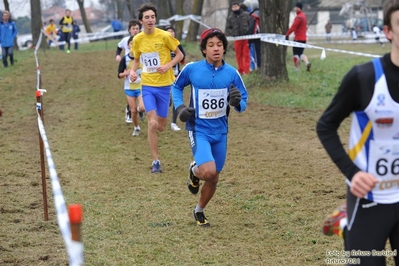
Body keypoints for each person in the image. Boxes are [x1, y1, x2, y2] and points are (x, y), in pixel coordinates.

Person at [316, 1, 399, 264]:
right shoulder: (364, 78)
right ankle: (348, 221)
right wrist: (354, 174)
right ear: (388, 32)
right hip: (369, 199)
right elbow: (325, 126)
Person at [172, 28, 248, 227]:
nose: (216, 49)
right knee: (207, 171)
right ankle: (194, 170)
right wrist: (180, 107)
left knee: (213, 178)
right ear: (204, 49)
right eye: (211, 45)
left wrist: (237, 102)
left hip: (220, 132)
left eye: (220, 45)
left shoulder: (232, 73)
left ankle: (199, 210)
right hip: (199, 129)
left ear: (224, 49)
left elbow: (243, 101)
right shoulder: (192, 69)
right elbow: (176, 86)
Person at [129, 3, 184, 173]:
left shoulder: (164, 36)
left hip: (164, 86)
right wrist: (132, 71)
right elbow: (137, 59)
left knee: (160, 126)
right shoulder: (137, 39)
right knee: (152, 123)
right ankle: (155, 162)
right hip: (147, 85)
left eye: (153, 17)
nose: (150, 20)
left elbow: (181, 55)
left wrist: (168, 66)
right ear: (141, 20)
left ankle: (151, 115)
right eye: (147, 17)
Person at [115, 19, 142, 124]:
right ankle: (129, 110)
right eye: (133, 29)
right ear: (129, 30)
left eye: (137, 28)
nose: (135, 30)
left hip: (140, 64)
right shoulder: (125, 40)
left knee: (141, 87)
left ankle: (140, 108)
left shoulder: (142, 39)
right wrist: (118, 55)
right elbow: (118, 47)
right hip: (128, 65)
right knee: (130, 88)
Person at [118, 36, 145, 137]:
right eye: (131, 43)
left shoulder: (142, 57)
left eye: (135, 43)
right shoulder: (125, 59)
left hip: (141, 87)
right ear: (128, 45)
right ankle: (136, 127)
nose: (133, 45)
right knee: (133, 110)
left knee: (142, 108)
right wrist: (127, 73)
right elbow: (119, 74)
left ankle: (140, 112)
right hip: (129, 88)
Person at [164, 25, 186, 132]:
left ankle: (173, 123)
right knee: (167, 102)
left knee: (176, 100)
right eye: (168, 32)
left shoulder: (177, 44)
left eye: (172, 31)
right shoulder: (162, 45)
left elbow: (183, 59)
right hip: (164, 77)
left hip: (176, 76)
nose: (171, 33)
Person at [285, 3, 311, 72]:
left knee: (296, 54)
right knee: (301, 53)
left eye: (297, 7)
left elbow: (293, 27)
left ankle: (297, 69)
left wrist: (287, 34)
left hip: (298, 38)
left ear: (300, 8)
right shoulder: (304, 16)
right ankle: (307, 62)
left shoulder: (299, 17)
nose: (295, 8)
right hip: (304, 38)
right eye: (295, 7)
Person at [226, 2, 250, 75]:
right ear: (231, 8)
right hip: (237, 39)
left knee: (246, 54)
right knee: (238, 55)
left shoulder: (246, 15)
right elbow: (228, 28)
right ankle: (241, 70)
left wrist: (248, 31)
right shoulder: (230, 18)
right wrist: (233, 34)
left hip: (246, 37)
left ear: (239, 7)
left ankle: (246, 70)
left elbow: (250, 23)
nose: (235, 8)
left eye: (236, 6)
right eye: (233, 7)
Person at [247, 1, 261, 70]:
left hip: (254, 37)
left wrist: (249, 38)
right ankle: (259, 66)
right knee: (259, 52)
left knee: (254, 52)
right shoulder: (262, 14)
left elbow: (251, 27)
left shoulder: (253, 16)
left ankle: (255, 67)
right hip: (261, 37)